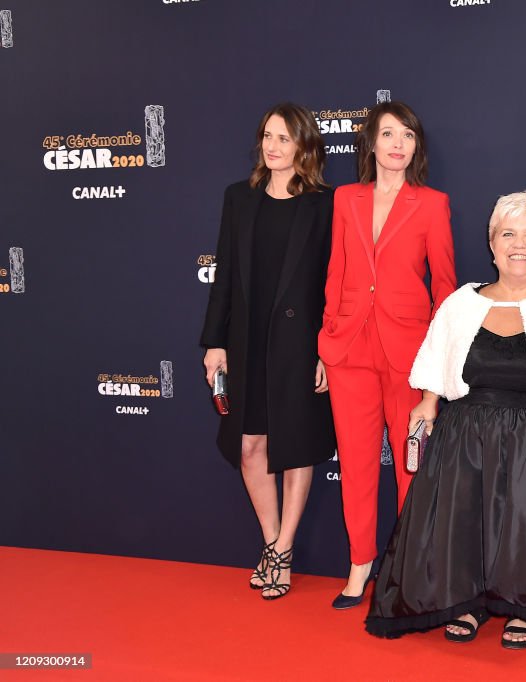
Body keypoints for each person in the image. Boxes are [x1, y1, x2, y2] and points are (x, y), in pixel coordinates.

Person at [365, 191, 526, 648]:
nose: (518, 244)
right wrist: (426, 404)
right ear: (491, 244)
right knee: (465, 520)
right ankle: (467, 599)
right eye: (508, 234)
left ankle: (523, 607)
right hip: (466, 431)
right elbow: (435, 363)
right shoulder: (460, 303)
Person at [318, 101, 457, 610]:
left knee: (411, 466)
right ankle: (360, 565)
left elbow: (444, 287)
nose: (398, 144)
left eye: (407, 136)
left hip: (411, 354)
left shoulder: (432, 203)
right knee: (355, 464)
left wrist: (439, 362)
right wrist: (325, 342)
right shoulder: (345, 199)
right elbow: (335, 272)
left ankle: (406, 570)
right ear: (371, 143)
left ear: (416, 146)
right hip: (348, 348)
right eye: (388, 134)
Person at [200, 102, 335, 600]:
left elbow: (333, 284)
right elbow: (224, 276)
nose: (273, 146)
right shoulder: (239, 199)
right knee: (250, 444)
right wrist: (215, 341)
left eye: (283, 137)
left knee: (296, 445)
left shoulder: (325, 205)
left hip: (300, 345)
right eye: (267, 137)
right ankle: (270, 540)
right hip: (247, 340)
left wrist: (326, 350)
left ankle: (284, 549)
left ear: (304, 146)